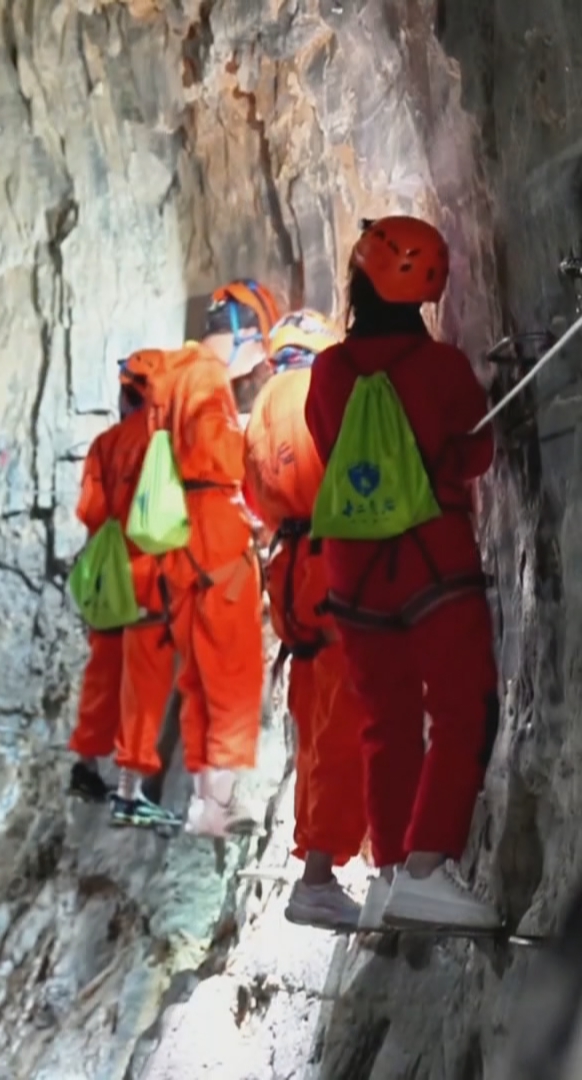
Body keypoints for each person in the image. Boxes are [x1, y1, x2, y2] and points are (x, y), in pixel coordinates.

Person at [306, 217, 502, 931]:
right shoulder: (443, 369)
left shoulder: (327, 372)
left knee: (384, 722)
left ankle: (389, 874)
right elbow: (474, 455)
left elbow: (329, 448)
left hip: (353, 574)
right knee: (461, 708)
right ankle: (428, 864)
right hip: (432, 564)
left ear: (359, 277)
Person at [120, 279, 279, 837]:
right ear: (239, 333)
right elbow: (218, 457)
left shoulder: (171, 372)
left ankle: (203, 803)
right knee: (233, 672)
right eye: (259, 346)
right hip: (214, 536)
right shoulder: (208, 380)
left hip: (176, 545)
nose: (259, 360)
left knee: (197, 676)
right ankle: (220, 803)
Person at [242, 310, 371, 929]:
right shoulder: (321, 391)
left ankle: (319, 863)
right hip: (333, 563)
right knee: (347, 725)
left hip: (291, 573)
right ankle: (322, 874)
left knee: (316, 727)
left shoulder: (264, 402)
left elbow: (253, 495)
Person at [66, 380, 182, 830]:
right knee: (145, 684)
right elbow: (168, 519)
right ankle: (130, 794)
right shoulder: (160, 442)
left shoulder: (104, 443)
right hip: (147, 578)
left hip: (107, 575)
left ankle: (87, 767)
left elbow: (91, 511)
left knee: (102, 673)